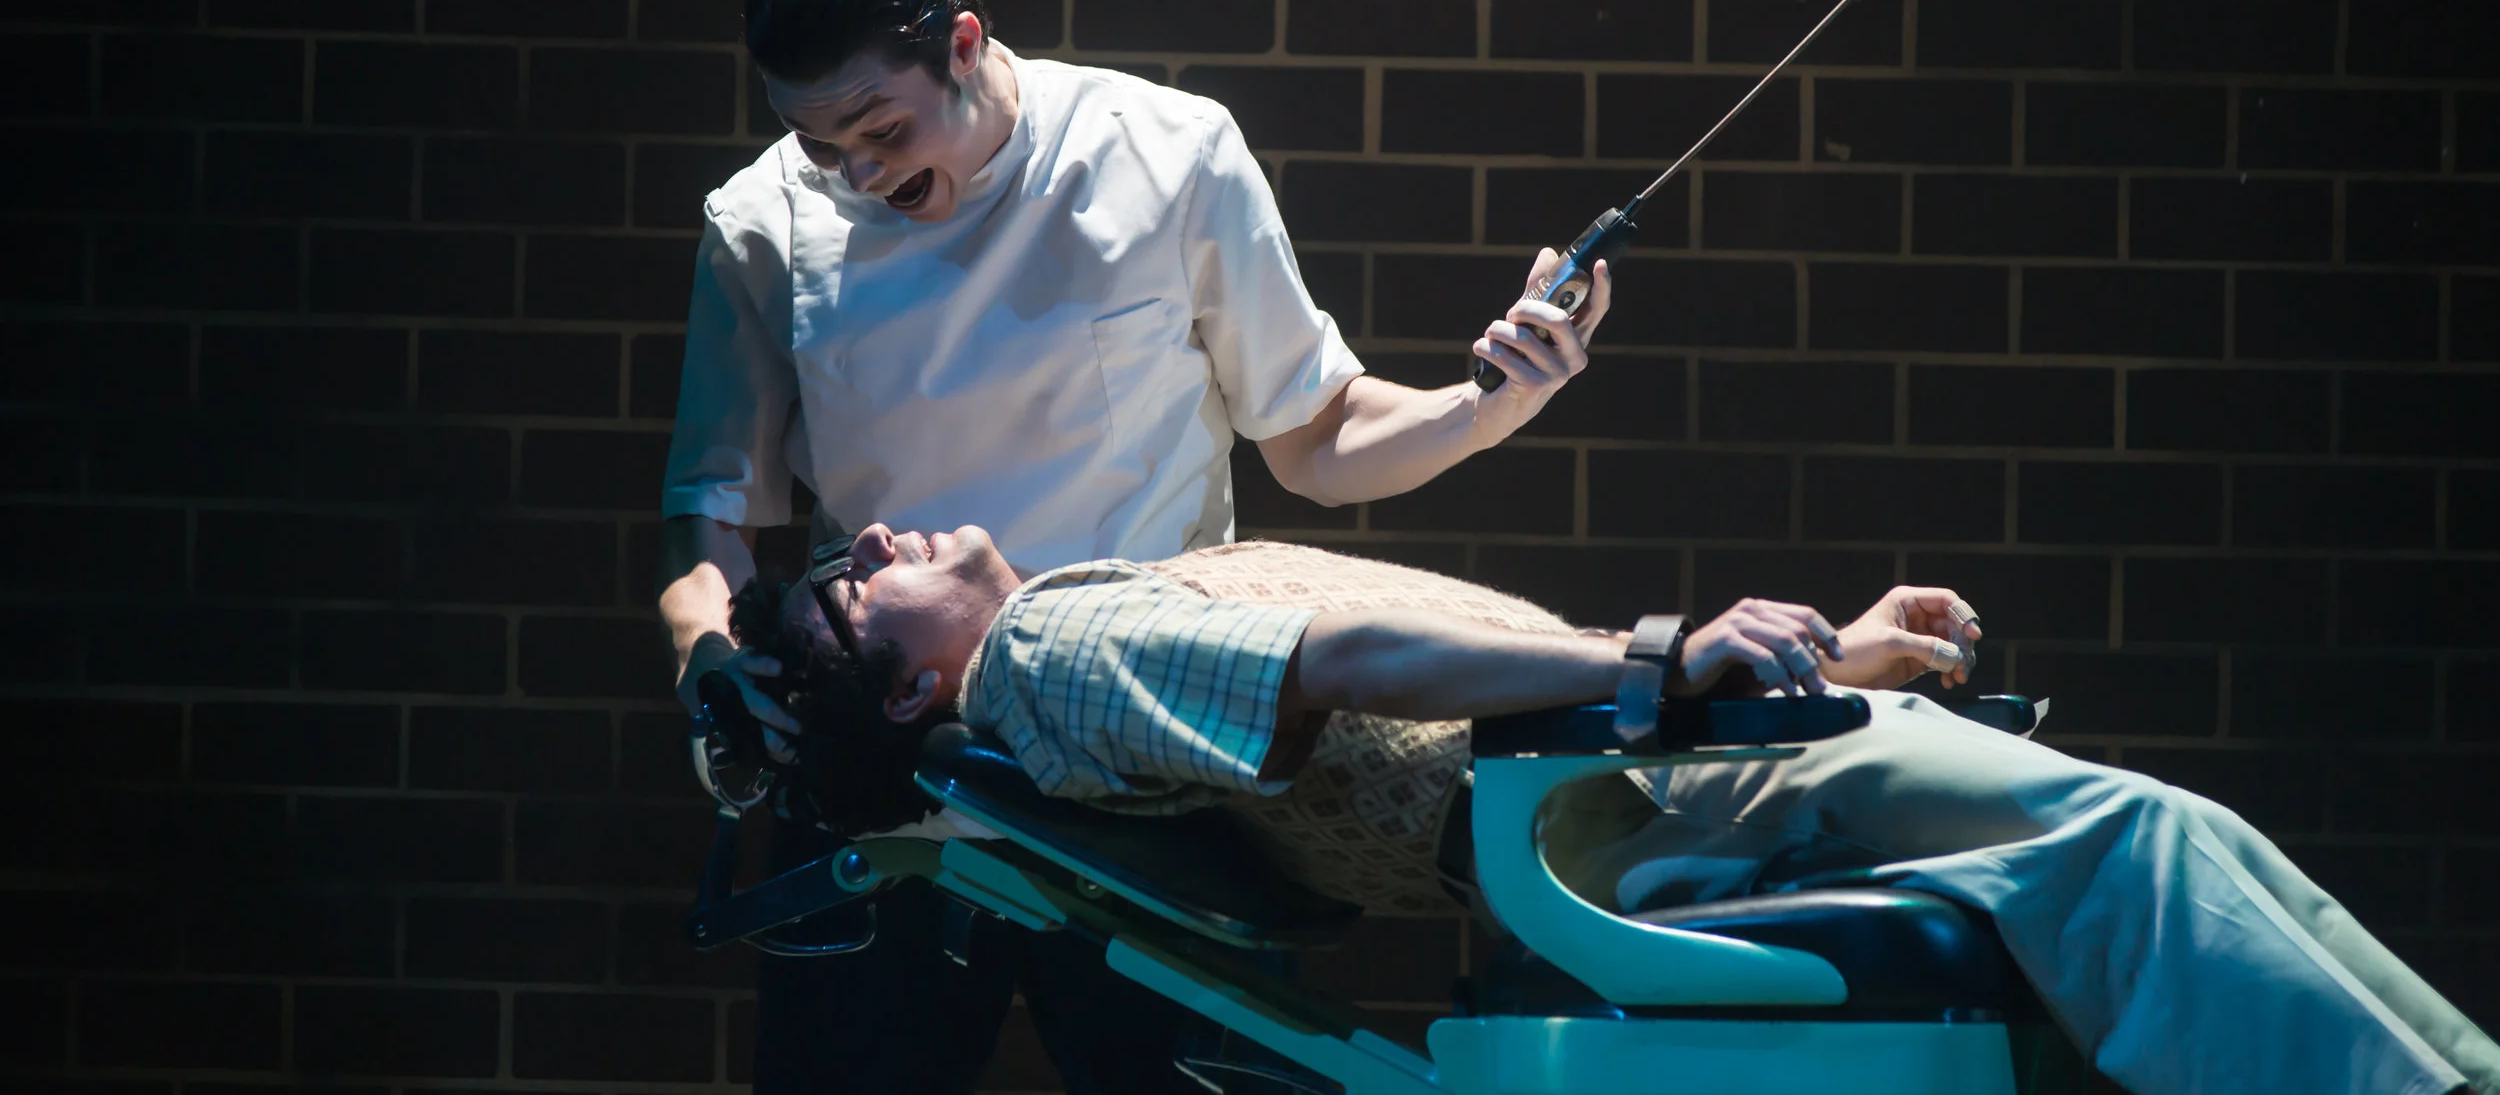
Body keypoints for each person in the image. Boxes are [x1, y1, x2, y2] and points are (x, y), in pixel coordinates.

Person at [657, 0, 1618, 1093]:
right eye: (818, 143)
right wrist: (708, 659)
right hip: (888, 772)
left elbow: (1315, 433)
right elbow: (712, 514)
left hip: (1143, 778)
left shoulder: (1167, 152)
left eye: (880, 128)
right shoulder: (761, 222)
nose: (855, 169)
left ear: (964, 43)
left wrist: (1485, 405)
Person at [731, 520, 2500, 1095]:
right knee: (2129, 849)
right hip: (1601, 816)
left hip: (1621, 783)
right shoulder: (1047, 651)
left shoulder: (1072, 624)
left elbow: (1414, 665)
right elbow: (1340, 656)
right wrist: (1668, 653)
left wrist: (1808, 663)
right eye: (857, 582)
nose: (881, 533)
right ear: (910, 687)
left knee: (2157, 836)